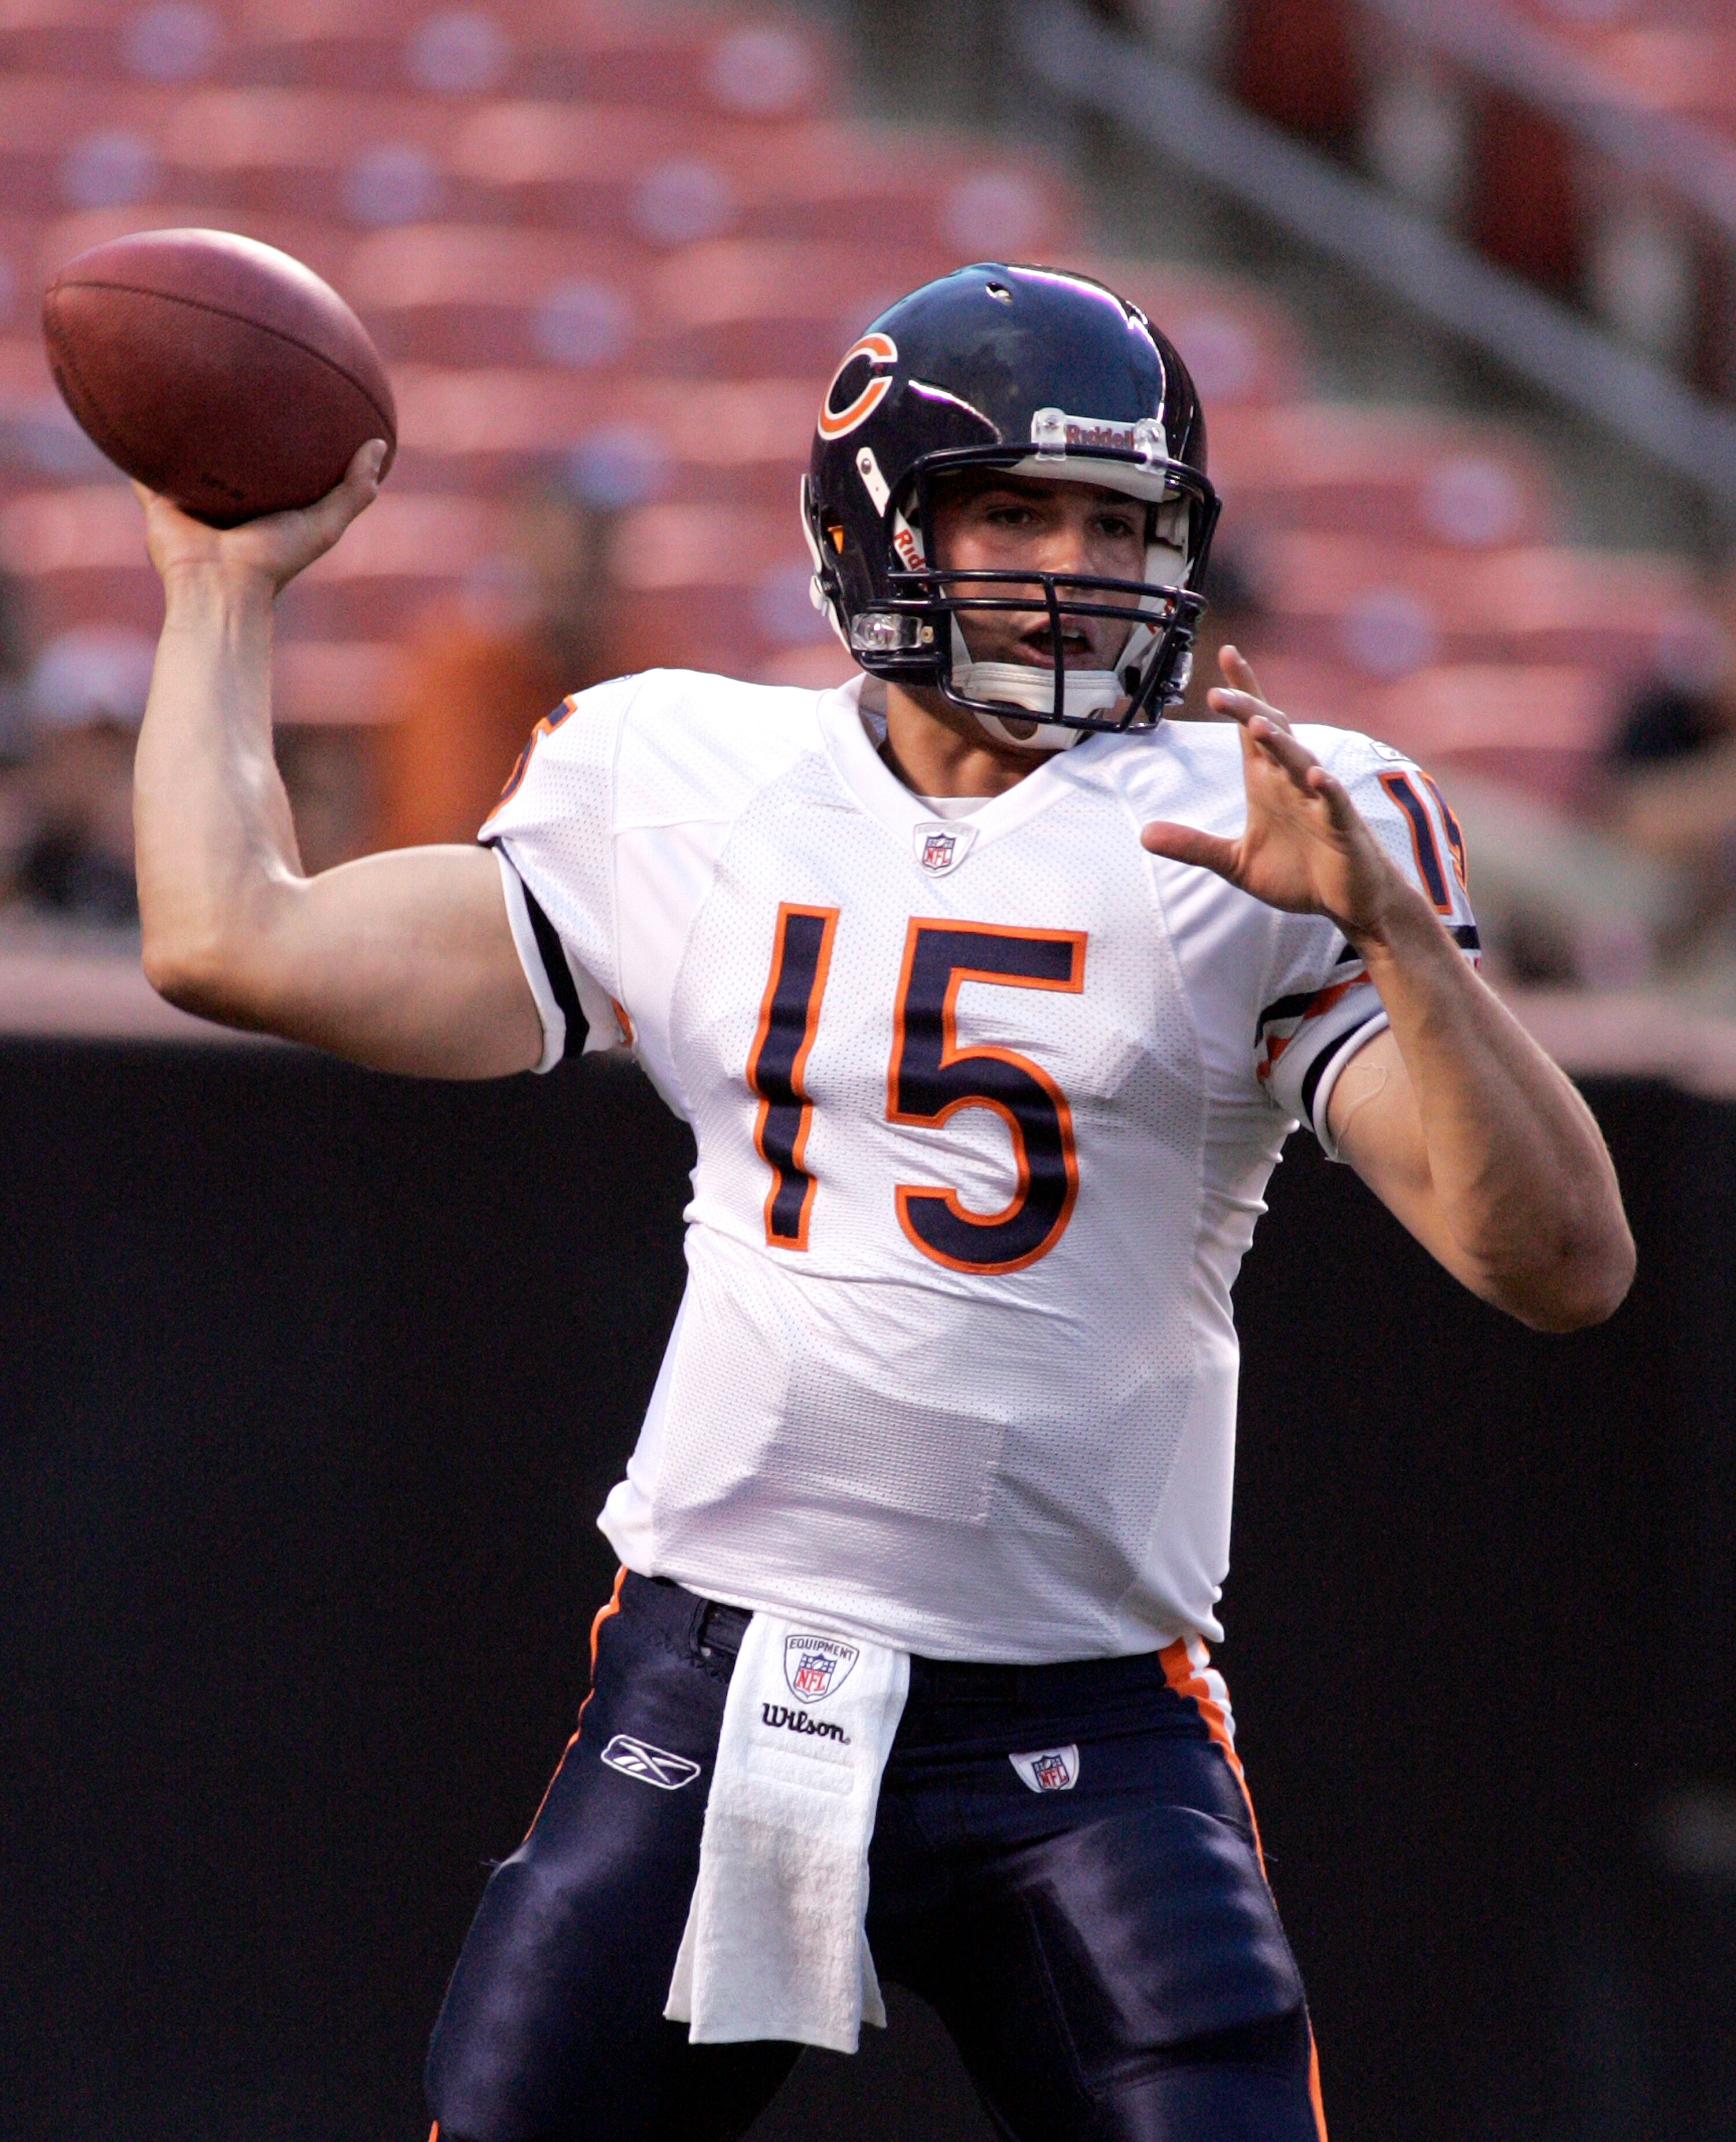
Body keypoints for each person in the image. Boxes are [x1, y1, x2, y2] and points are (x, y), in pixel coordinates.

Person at [130, 264, 1634, 2142]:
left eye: (1118, 519)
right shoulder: (685, 780)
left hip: (1091, 1731)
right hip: (720, 1674)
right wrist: (220, 594)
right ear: (880, 519)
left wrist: (1397, 935)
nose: (1074, 563)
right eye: (1016, 507)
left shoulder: (1267, 826)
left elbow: (1561, 1264)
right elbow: (229, 941)